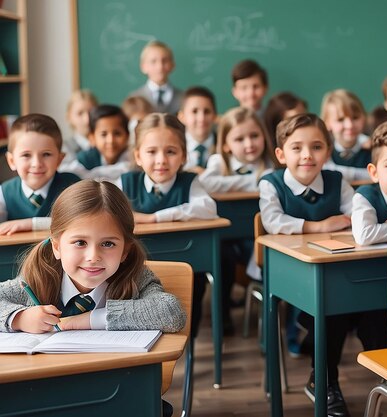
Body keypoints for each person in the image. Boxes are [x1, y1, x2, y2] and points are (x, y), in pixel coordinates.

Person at [0, 179, 186, 333]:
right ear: (57, 247)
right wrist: (19, 319)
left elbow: (171, 312)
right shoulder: (39, 277)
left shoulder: (137, 278)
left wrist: (81, 321)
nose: (93, 256)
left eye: (108, 244)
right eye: (80, 242)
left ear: (125, 251)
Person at [259, 113, 353, 417]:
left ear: (328, 151)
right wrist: (320, 225)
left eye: (316, 147)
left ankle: (326, 376)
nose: (307, 155)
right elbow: (273, 222)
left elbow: (357, 216)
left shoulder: (338, 181)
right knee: (329, 305)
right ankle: (322, 372)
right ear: (280, 154)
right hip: (288, 268)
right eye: (296, 147)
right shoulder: (270, 183)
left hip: (332, 266)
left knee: (352, 306)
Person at [114, 112, 217, 339]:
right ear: (138, 155)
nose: (161, 160)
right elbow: (107, 212)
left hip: (184, 261)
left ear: (183, 156)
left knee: (196, 281)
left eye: (170, 151)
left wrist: (155, 218)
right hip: (134, 269)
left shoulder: (189, 182)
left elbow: (208, 208)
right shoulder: (125, 182)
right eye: (151, 152)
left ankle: (187, 341)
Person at [204, 106, 279, 334]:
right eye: (239, 139)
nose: (249, 144)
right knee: (222, 259)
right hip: (225, 238)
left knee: (265, 257)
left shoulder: (269, 163)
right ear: (226, 144)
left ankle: (269, 321)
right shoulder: (219, 161)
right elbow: (206, 183)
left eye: (254, 136)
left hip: (253, 236)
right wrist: (255, 182)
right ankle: (222, 314)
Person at [0, 114, 80, 235]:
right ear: (11, 161)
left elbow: (80, 220)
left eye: (46, 154)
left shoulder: (72, 185)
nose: (37, 164)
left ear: (59, 159)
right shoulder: (5, 192)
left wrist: (30, 224)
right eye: (26, 155)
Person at [59, 104, 131, 181]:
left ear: (127, 136)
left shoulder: (132, 158)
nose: (110, 140)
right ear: (92, 138)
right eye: (103, 134)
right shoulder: (86, 159)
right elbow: (65, 172)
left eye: (117, 133)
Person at [320, 89, 372, 182]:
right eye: (340, 119)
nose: (349, 125)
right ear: (327, 123)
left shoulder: (373, 151)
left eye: (355, 117)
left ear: (364, 117)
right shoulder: (323, 154)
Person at [130, 40, 183, 114]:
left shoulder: (184, 98)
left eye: (165, 61)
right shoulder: (134, 99)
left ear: (172, 65)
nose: (160, 67)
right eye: (153, 61)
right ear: (143, 67)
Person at [177, 86, 218, 173]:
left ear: (215, 116)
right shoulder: (173, 147)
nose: (201, 118)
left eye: (207, 111)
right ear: (182, 117)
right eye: (194, 111)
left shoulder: (225, 145)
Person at [62, 90, 98, 165]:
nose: (87, 119)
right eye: (80, 113)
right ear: (69, 117)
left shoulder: (108, 144)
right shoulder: (64, 148)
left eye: (91, 112)